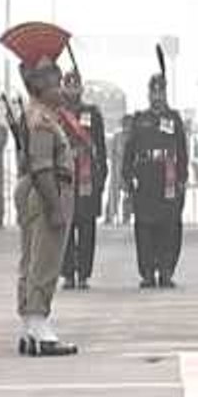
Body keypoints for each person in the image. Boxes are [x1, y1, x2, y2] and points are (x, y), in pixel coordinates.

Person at [1, 21, 79, 356]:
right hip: (46, 190)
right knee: (45, 260)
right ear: (37, 84)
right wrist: (54, 206)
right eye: (53, 80)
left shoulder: (40, 114)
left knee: (31, 260)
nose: (59, 85)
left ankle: (30, 327)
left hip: (35, 190)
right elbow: (43, 166)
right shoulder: (41, 120)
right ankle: (39, 324)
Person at [122, 45, 189, 289]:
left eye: (161, 91)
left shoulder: (174, 119)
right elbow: (129, 150)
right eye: (154, 91)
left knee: (170, 228)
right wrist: (127, 176)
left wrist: (182, 178)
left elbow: (182, 150)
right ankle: (148, 271)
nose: (157, 96)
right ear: (149, 93)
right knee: (145, 229)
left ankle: (167, 269)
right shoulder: (141, 119)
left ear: (166, 93)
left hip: (169, 182)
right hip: (146, 182)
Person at [59, 70, 108, 290]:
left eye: (75, 85)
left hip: (88, 177)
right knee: (66, 228)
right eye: (68, 86)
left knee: (87, 227)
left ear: (81, 88)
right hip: (65, 177)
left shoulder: (93, 114)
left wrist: (101, 177)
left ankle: (84, 274)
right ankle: (68, 273)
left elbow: (100, 148)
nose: (72, 90)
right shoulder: (56, 114)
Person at [106, 114, 134, 225]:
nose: (127, 126)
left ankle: (126, 216)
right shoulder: (117, 136)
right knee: (113, 193)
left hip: (128, 167)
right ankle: (110, 216)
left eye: (129, 124)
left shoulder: (134, 137)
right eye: (125, 124)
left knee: (129, 193)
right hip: (117, 166)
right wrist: (113, 168)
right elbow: (112, 153)